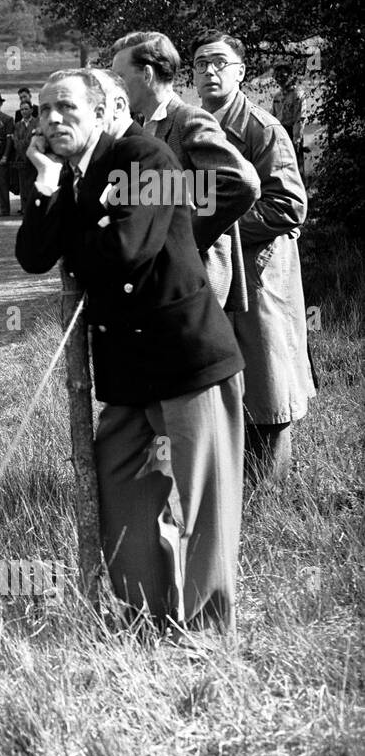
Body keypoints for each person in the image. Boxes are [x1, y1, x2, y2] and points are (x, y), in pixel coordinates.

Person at [16, 68, 245, 637]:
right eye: (43, 111)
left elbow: (123, 252)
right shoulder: (66, 177)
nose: (52, 120)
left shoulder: (148, 158)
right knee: (121, 496)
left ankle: (204, 631)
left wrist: (72, 214)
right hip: (126, 375)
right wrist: (47, 189)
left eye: (66, 107)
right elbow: (34, 256)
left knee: (201, 502)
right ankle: (148, 620)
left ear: (101, 112)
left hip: (186, 359)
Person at [190, 29, 316, 484]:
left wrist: (214, 229)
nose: (210, 71)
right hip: (214, 275)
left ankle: (270, 493)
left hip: (260, 273)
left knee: (268, 380)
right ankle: (226, 485)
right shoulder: (192, 128)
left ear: (241, 72)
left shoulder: (262, 128)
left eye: (220, 62)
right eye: (201, 63)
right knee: (217, 380)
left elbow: (288, 206)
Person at [110, 31, 259, 314]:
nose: (114, 87)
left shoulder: (188, 119)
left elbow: (242, 183)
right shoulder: (142, 127)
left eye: (120, 77)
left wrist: (185, 238)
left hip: (194, 282)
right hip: (161, 283)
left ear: (147, 75)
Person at [271, 66, 306, 177]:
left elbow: (300, 117)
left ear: (290, 76)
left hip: (293, 132)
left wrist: (296, 138)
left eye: (282, 76)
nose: (279, 79)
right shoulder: (277, 96)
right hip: (280, 133)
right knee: (281, 166)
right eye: (276, 76)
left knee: (295, 166)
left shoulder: (297, 94)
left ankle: (300, 192)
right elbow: (272, 116)